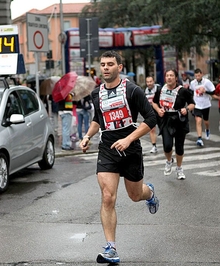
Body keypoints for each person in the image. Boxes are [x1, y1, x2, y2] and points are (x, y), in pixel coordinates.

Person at [79, 50, 159, 264]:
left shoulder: (132, 90)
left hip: (130, 149)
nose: (105, 67)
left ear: (119, 68)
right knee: (107, 197)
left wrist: (129, 139)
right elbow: (98, 119)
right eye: (103, 64)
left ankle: (149, 193)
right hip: (107, 148)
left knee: (135, 195)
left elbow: (151, 118)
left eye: (110, 64)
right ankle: (111, 249)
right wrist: (87, 136)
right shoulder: (97, 93)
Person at [152, 68, 195, 179]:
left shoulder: (183, 91)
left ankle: (179, 168)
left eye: (171, 75)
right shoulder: (161, 90)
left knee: (179, 146)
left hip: (180, 119)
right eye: (167, 76)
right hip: (166, 119)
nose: (169, 78)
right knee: (167, 146)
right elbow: (154, 102)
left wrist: (187, 109)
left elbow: (192, 104)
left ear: (176, 78)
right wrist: (158, 110)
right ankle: (169, 160)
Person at [189, 68, 215, 147]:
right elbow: (190, 91)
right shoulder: (193, 83)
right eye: (196, 76)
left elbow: (213, 91)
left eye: (199, 75)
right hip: (197, 105)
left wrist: (205, 91)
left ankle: (207, 129)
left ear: (201, 74)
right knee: (198, 121)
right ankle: (199, 138)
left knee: (206, 121)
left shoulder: (206, 82)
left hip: (206, 104)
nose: (197, 77)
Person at [144, 76, 160, 153]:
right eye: (148, 82)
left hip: (159, 111)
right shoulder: (145, 90)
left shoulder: (158, 89)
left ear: (153, 81)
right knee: (152, 129)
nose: (149, 83)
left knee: (163, 129)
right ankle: (154, 146)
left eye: (150, 81)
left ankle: (168, 144)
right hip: (151, 112)